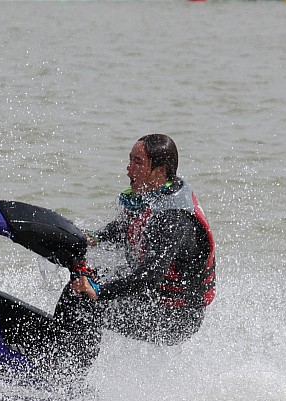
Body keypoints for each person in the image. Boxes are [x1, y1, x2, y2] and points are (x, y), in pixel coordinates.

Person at [57, 134, 216, 350]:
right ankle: (58, 344)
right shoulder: (156, 194)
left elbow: (150, 276)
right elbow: (126, 227)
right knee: (82, 280)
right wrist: (95, 238)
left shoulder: (174, 218)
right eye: (130, 160)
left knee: (85, 300)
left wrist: (100, 291)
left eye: (137, 162)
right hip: (153, 297)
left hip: (176, 318)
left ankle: (67, 374)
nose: (129, 169)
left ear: (159, 171)